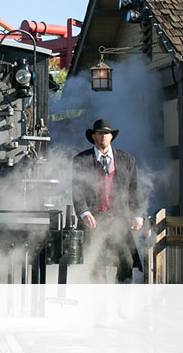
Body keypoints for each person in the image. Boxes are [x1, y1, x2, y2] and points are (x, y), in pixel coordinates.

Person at [71, 119, 145, 283]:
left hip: (120, 218)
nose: (104, 136)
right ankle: (100, 301)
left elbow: (134, 189)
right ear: (93, 136)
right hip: (94, 219)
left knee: (126, 260)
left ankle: (122, 301)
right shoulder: (81, 159)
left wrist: (138, 215)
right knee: (96, 263)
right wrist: (84, 212)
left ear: (111, 137)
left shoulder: (127, 160)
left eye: (107, 133)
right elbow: (76, 189)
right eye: (100, 133)